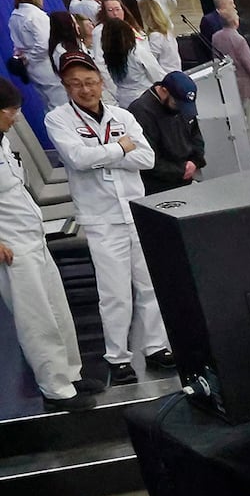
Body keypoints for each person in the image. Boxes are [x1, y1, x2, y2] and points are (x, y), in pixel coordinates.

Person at [45, 52, 173, 388]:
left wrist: (104, 156)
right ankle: (117, 358)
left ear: (101, 82)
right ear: (65, 86)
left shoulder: (122, 116)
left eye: (89, 82)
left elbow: (146, 158)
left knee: (150, 284)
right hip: (101, 217)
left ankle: (156, 347)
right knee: (115, 292)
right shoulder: (58, 120)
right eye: (75, 84)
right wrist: (120, 150)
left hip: (135, 209)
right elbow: (76, 158)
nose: (84, 89)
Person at [0, 78, 96, 411]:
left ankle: (72, 372)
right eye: (11, 111)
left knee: (57, 306)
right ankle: (55, 387)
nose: (15, 118)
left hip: (32, 233)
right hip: (11, 247)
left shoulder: (1, 140)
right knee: (36, 318)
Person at [128, 70, 204, 194]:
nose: (180, 110)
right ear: (164, 91)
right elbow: (148, 159)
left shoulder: (181, 106)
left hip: (186, 177)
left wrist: (195, 161)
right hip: (158, 187)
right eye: (176, 104)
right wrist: (181, 170)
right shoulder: (140, 112)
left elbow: (196, 135)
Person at [210, 8, 250, 141]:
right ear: (236, 21)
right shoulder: (238, 39)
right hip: (248, 87)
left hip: (229, 86)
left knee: (238, 123)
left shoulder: (215, 37)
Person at [10, 0, 66, 109]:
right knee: (62, 105)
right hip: (47, 69)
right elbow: (45, 44)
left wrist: (25, 58)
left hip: (33, 71)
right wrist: (29, 58)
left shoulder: (14, 16)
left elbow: (17, 46)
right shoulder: (36, 15)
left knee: (49, 105)